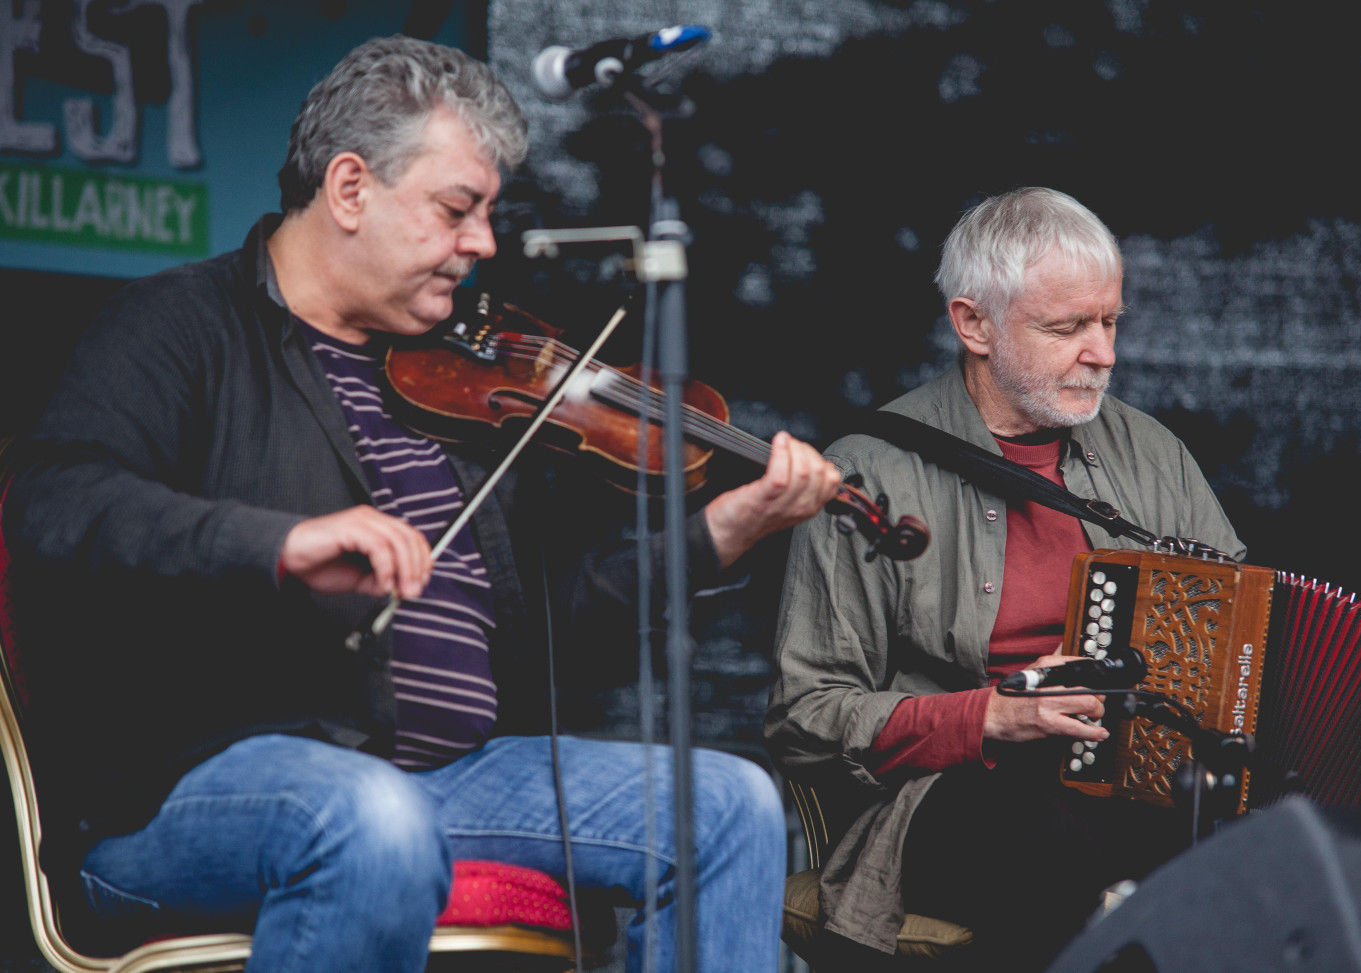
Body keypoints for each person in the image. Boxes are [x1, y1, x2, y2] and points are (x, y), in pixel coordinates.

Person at [2, 36, 845, 973]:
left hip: (452, 776)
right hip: (192, 788)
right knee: (373, 814)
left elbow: (543, 631)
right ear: (351, 188)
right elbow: (54, 501)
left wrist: (718, 536)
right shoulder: (181, 325)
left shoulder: (453, 381)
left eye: (489, 214)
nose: (482, 244)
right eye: (458, 209)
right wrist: (278, 544)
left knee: (725, 805)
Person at [766, 187, 1247, 970]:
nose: (1105, 353)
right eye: (1066, 328)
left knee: (1248, 830)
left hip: (1137, 781)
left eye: (1110, 321)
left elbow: (1244, 634)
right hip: (956, 796)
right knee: (1048, 838)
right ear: (973, 324)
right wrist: (991, 716)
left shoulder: (1152, 454)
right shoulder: (871, 470)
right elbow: (806, 715)